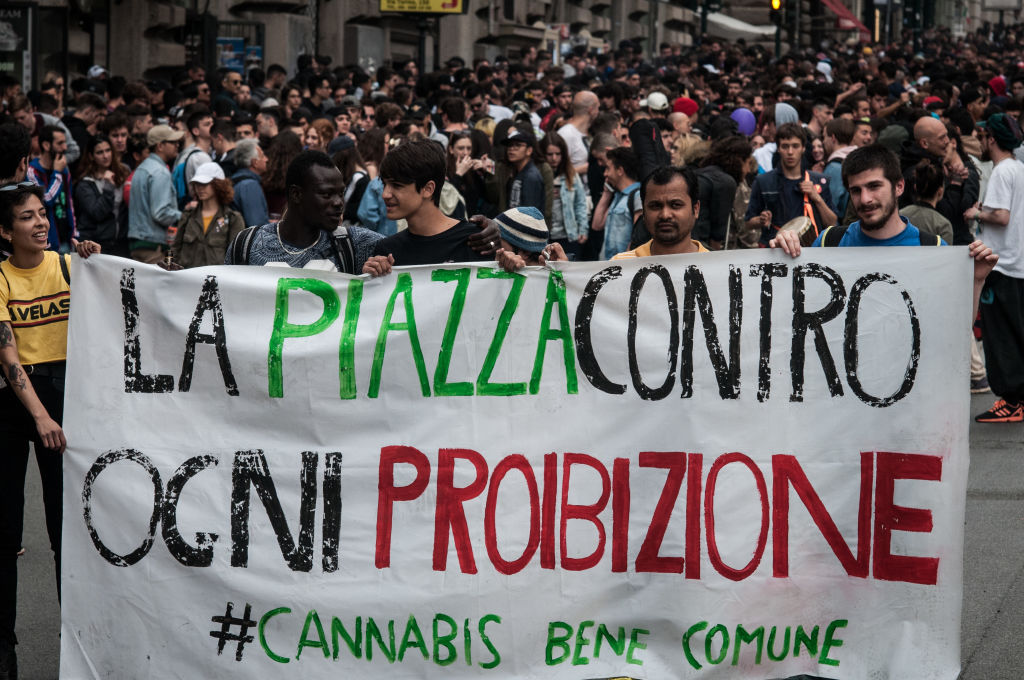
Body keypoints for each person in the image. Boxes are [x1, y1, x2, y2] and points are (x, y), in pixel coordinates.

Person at [769, 145, 997, 377]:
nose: (865, 199)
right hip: (839, 395)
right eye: (856, 190)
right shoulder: (830, 242)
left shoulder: (932, 250)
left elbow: (954, 331)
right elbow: (793, 316)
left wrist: (976, 281)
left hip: (908, 395)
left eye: (874, 186)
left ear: (899, 186)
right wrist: (781, 258)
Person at [0, 183, 100, 680]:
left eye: (42, 214)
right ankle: (4, 647)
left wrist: (94, 261)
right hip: (16, 405)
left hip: (65, 396)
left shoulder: (65, 265)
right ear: (4, 230)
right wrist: (40, 416)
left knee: (68, 531)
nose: (39, 223)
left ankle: (74, 641)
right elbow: (8, 356)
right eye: (25, 217)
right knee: (6, 530)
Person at [963, 113, 1024, 422]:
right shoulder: (1020, 169)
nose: (982, 141)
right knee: (1016, 331)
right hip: (1017, 263)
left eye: (984, 136)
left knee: (1000, 336)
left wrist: (976, 213)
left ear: (992, 139)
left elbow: (1001, 216)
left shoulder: (1002, 172)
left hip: (1000, 264)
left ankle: (1011, 401)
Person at [371, 139, 494, 266]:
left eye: (397, 185)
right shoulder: (386, 251)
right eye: (384, 184)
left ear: (428, 189)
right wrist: (371, 277)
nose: (385, 194)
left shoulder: (476, 240)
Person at [746, 122, 837, 246]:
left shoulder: (817, 181)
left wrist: (816, 198)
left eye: (795, 146)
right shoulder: (763, 181)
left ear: (803, 148)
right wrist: (760, 220)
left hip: (810, 250)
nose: (790, 152)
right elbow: (748, 222)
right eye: (785, 146)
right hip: (775, 250)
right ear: (778, 148)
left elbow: (832, 223)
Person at [612, 165, 709, 259]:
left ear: (696, 209)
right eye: (655, 206)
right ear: (644, 211)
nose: (665, 215)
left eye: (675, 205)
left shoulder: (717, 268)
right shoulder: (620, 268)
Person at [170, 162, 245, 268]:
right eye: (197, 184)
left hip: (217, 281)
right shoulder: (188, 216)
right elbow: (175, 249)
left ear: (218, 184)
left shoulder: (233, 219)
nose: (200, 188)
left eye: (205, 183)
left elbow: (235, 258)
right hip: (186, 279)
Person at [128, 125, 184, 263]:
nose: (177, 145)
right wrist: (184, 216)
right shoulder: (159, 172)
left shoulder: (142, 168)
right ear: (160, 146)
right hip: (153, 246)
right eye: (172, 142)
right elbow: (160, 213)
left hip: (139, 244)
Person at [74, 135, 131, 257]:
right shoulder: (85, 184)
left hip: (120, 242)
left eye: (108, 150)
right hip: (96, 243)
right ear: (91, 156)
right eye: (100, 152)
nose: (105, 156)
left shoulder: (124, 172)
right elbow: (97, 213)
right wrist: (108, 188)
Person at [27, 126, 76, 253]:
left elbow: (69, 203)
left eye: (65, 142)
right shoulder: (32, 171)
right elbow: (45, 200)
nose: (65, 147)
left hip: (67, 241)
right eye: (60, 143)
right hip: (48, 245)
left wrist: (74, 234)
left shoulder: (64, 169)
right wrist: (57, 174)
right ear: (46, 145)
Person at [542, 132, 588, 260]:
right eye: (550, 154)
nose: (554, 158)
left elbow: (580, 203)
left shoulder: (570, 174)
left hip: (569, 235)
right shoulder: (539, 176)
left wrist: (583, 229)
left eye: (558, 154)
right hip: (547, 236)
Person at [593, 146, 641, 259]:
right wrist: (606, 194)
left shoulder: (638, 196)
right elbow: (597, 225)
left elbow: (638, 237)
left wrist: (624, 264)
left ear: (620, 171)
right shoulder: (617, 196)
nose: (605, 174)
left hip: (623, 267)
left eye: (608, 169)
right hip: (608, 264)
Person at [229, 138, 269, 228]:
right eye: (262, 156)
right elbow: (256, 226)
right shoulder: (249, 186)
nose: (266, 159)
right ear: (255, 162)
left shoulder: (237, 179)